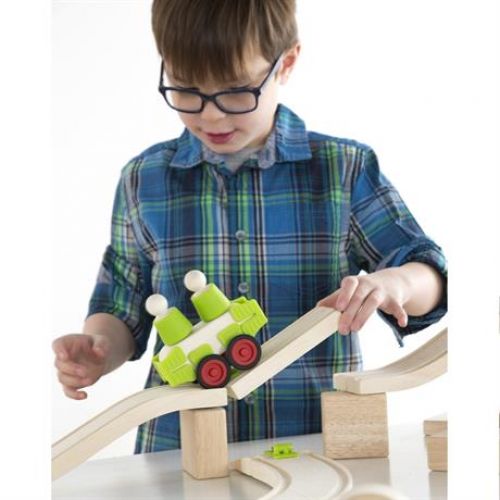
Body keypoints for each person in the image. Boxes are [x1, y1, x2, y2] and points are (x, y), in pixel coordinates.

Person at [52, 0, 446, 453]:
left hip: (314, 447)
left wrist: (396, 283)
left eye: (236, 91)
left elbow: (429, 274)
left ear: (286, 63)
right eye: (186, 90)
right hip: (181, 450)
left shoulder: (343, 170)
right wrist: (99, 347)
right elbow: (121, 303)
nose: (211, 116)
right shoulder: (143, 179)